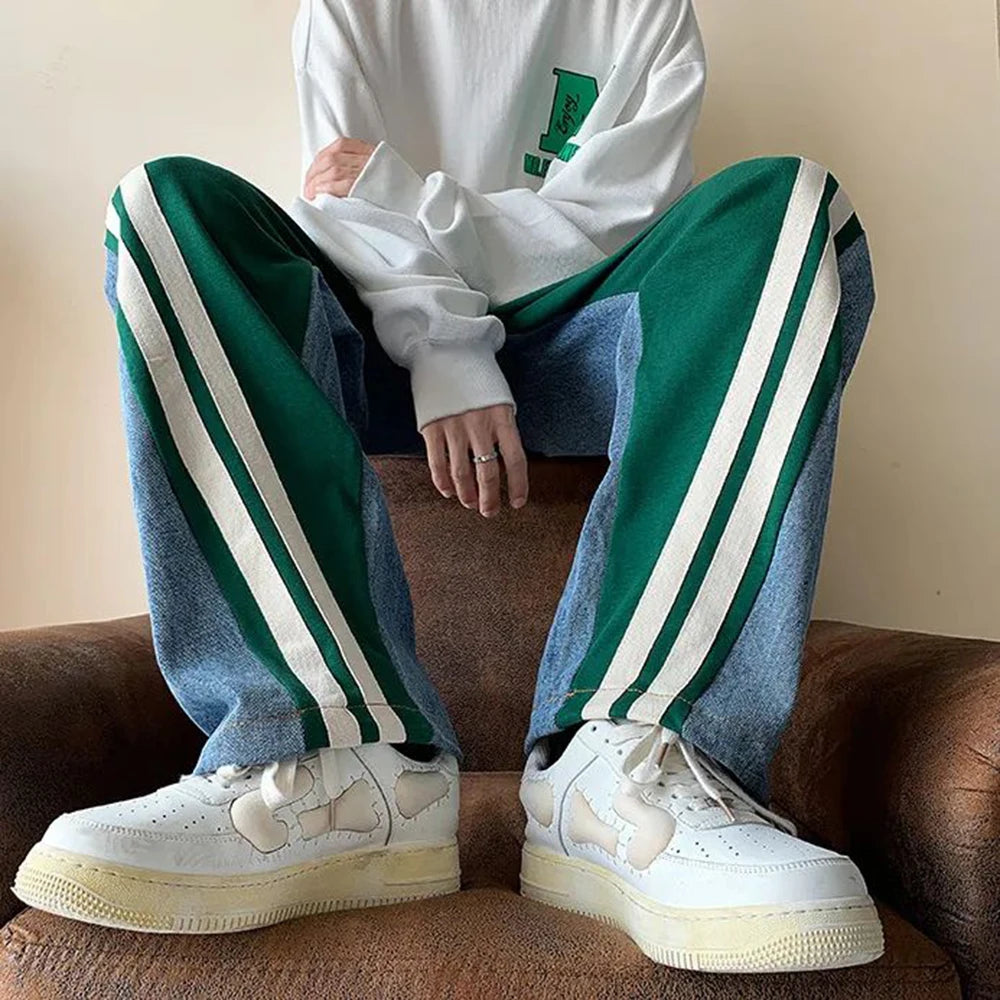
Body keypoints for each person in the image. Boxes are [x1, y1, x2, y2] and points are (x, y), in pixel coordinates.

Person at [13, 0, 883, 973]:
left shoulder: (645, 14)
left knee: (790, 207)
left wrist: (401, 192)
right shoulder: (350, 10)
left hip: (592, 332)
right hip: (372, 339)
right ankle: (338, 752)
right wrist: (443, 345)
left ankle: (625, 762)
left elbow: (610, 227)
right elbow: (342, 217)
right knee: (165, 205)